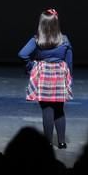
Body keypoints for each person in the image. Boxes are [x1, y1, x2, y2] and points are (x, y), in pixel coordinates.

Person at [18, 8, 73, 148]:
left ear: (41, 24)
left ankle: (47, 143)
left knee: (47, 110)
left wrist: (31, 66)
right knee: (59, 109)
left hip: (43, 75)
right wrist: (68, 77)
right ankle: (61, 142)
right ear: (57, 23)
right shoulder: (65, 40)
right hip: (60, 75)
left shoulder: (36, 40)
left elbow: (22, 54)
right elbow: (69, 61)